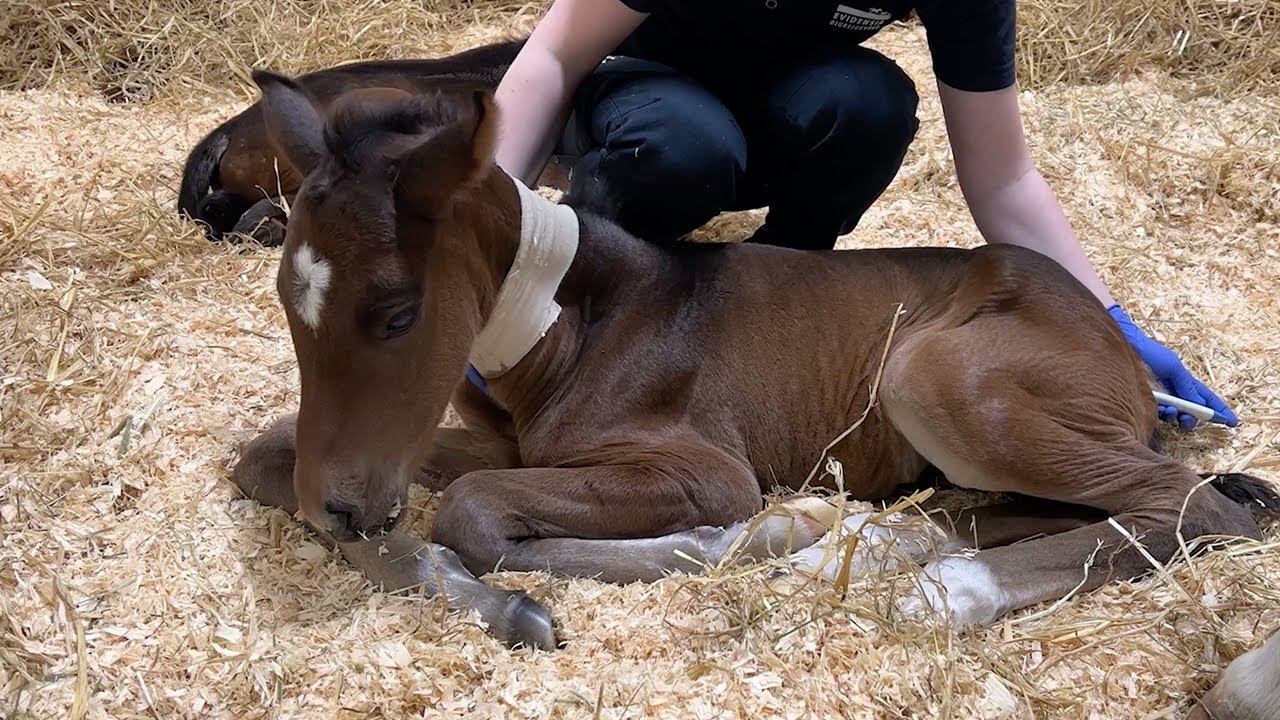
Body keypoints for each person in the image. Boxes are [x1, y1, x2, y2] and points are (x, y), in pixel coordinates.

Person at [488, 0, 1237, 431]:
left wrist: (1108, 317)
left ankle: (768, 301)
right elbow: (555, 55)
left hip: (777, 96)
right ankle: (597, 302)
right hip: (643, 90)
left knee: (868, 105)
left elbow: (1002, 174)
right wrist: (488, 247)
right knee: (683, 148)